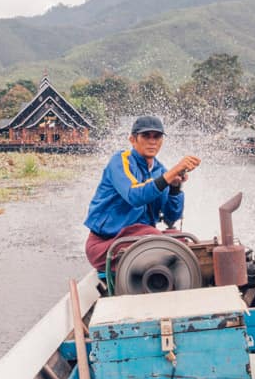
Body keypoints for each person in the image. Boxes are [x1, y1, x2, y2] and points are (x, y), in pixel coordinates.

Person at [84, 115, 201, 270]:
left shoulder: (161, 172)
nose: (152, 141)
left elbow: (171, 218)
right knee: (155, 239)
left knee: (180, 240)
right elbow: (135, 196)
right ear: (133, 139)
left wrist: (174, 188)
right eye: (146, 136)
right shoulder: (120, 161)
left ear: (162, 141)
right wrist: (171, 174)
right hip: (107, 245)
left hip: (140, 240)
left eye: (157, 136)